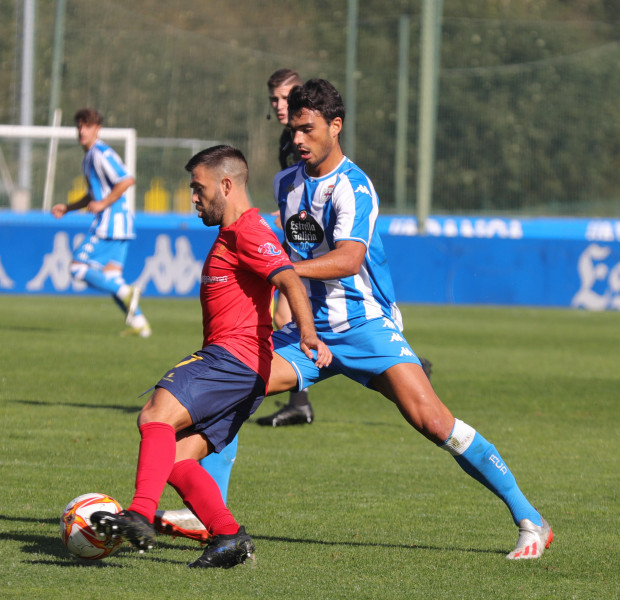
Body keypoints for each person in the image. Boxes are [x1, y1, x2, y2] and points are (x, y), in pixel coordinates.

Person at [267, 79, 552, 560]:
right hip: (309, 332)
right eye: (294, 129)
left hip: (365, 326)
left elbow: (348, 259)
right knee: (239, 386)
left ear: (335, 127)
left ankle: (530, 519)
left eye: (307, 129)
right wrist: (284, 297)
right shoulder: (285, 184)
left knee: (436, 423)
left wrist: (281, 273)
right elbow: (293, 251)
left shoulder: (355, 186)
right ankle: (207, 514)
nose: (297, 139)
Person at [91, 145, 332, 568]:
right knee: (176, 457)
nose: (194, 198)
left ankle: (140, 515)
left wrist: (308, 334)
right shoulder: (232, 234)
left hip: (231, 360)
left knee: (154, 415)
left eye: (198, 188)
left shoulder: (248, 231)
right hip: (244, 370)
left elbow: (290, 279)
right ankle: (227, 537)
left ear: (226, 184)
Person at [50, 108, 150, 337]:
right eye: (79, 126)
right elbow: (92, 195)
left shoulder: (100, 153)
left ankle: (129, 291)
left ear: (98, 129)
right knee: (112, 277)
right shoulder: (89, 158)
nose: (82, 130)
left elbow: (126, 180)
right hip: (121, 223)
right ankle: (140, 325)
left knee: (78, 268)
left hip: (110, 222)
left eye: (87, 126)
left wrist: (104, 203)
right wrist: (68, 208)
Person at [256, 67, 316, 427]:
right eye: (274, 100)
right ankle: (299, 402)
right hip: (300, 241)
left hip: (317, 245)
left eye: (285, 98)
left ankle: (411, 365)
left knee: (288, 317)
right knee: (287, 316)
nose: (279, 105)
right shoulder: (287, 139)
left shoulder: (310, 136)